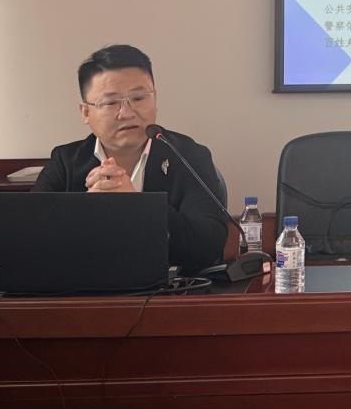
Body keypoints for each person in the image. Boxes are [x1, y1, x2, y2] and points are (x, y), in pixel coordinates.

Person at [32, 44, 227, 273]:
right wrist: (84, 212)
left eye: (138, 98)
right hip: (84, 288)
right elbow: (29, 241)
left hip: (167, 290)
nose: (127, 112)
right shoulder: (65, 162)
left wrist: (138, 206)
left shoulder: (189, 156)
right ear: (85, 112)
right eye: (110, 102)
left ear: (155, 98)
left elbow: (208, 246)